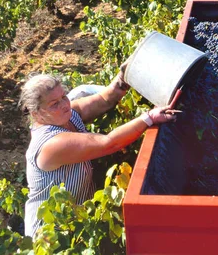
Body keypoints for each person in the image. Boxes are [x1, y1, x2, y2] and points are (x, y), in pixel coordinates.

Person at [19, 70, 178, 237]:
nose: (65, 105)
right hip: (52, 235)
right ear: (36, 113)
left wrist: (125, 76)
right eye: (54, 104)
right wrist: (149, 118)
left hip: (78, 219)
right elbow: (109, 143)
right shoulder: (50, 145)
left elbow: (104, 99)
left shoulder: (68, 115)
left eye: (63, 97)